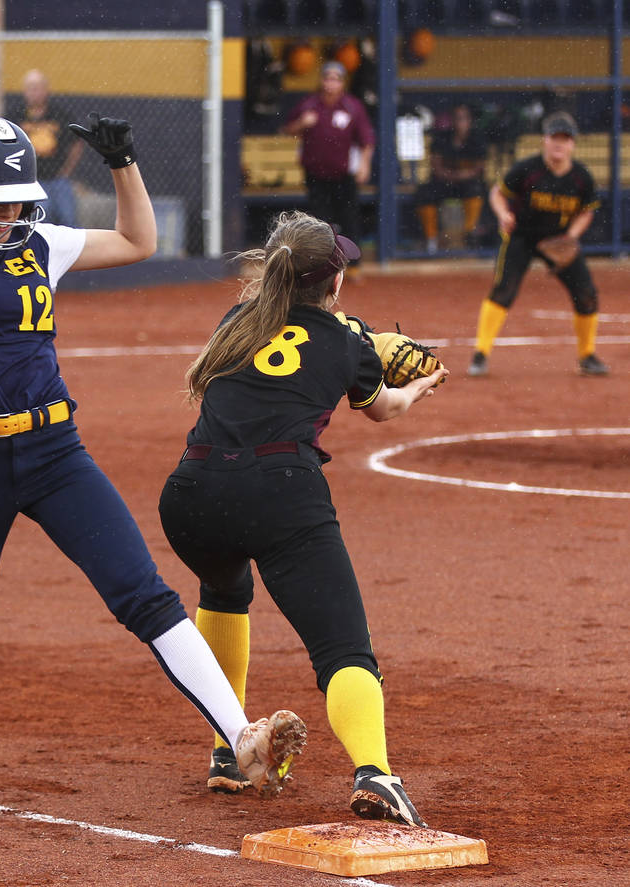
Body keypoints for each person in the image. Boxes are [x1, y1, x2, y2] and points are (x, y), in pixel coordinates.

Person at [0, 59, 307, 795]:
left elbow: (137, 240)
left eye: (16, 201)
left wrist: (124, 164)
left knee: (144, 593)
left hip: (55, 451)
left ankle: (238, 732)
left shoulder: (39, 244)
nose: (9, 215)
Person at [157, 211, 448, 825]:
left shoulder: (236, 320)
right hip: (279, 491)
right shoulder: (349, 342)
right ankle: (375, 774)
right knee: (344, 650)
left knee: (224, 589)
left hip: (190, 494)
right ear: (334, 283)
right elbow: (384, 408)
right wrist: (415, 385)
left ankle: (230, 749)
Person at [468, 111, 606, 377]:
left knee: (587, 295)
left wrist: (572, 237)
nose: (559, 144)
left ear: (573, 144)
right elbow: (497, 192)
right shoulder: (528, 169)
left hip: (559, 241)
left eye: (565, 139)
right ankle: (480, 353)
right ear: (544, 140)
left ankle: (587, 355)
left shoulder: (581, 177)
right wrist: (503, 214)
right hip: (522, 236)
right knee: (504, 291)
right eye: (555, 137)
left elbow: (586, 211)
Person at [282, 61, 375, 278]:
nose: (330, 83)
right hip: (316, 173)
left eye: (336, 79)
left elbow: (367, 140)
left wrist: (364, 164)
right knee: (318, 221)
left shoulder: (352, 106)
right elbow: (287, 128)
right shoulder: (309, 104)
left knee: (349, 217)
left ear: (342, 83)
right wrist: (302, 124)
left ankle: (353, 265)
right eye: (327, 78)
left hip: (343, 174)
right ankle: (321, 266)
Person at [12, 69, 84, 227]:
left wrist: (67, 171)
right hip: (31, 181)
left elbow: (76, 143)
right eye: (30, 88)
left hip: (58, 179)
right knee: (39, 222)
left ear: (46, 90)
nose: (34, 92)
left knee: (68, 220)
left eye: (38, 88)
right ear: (24, 91)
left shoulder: (60, 114)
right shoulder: (15, 115)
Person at [414, 103, 488, 254]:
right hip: (444, 182)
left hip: (467, 184)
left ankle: (470, 234)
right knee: (425, 193)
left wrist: (462, 175)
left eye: (463, 119)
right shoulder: (442, 137)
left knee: (477, 189)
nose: (460, 122)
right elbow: (436, 166)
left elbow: (480, 168)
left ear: (470, 121)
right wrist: (452, 175)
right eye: (456, 118)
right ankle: (431, 240)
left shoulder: (477, 138)